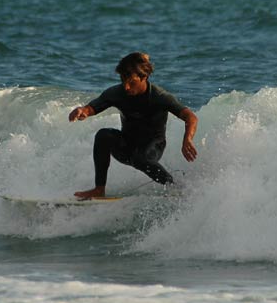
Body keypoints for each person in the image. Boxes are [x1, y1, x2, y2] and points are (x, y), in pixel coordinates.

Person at [69, 52, 198, 199]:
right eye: (123, 80)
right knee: (103, 135)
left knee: (140, 158)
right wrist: (83, 111)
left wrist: (187, 139)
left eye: (132, 82)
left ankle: (175, 188)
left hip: (153, 147)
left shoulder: (159, 96)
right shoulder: (116, 93)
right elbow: (92, 107)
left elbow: (190, 117)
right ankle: (99, 189)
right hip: (127, 146)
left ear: (144, 77)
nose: (126, 87)